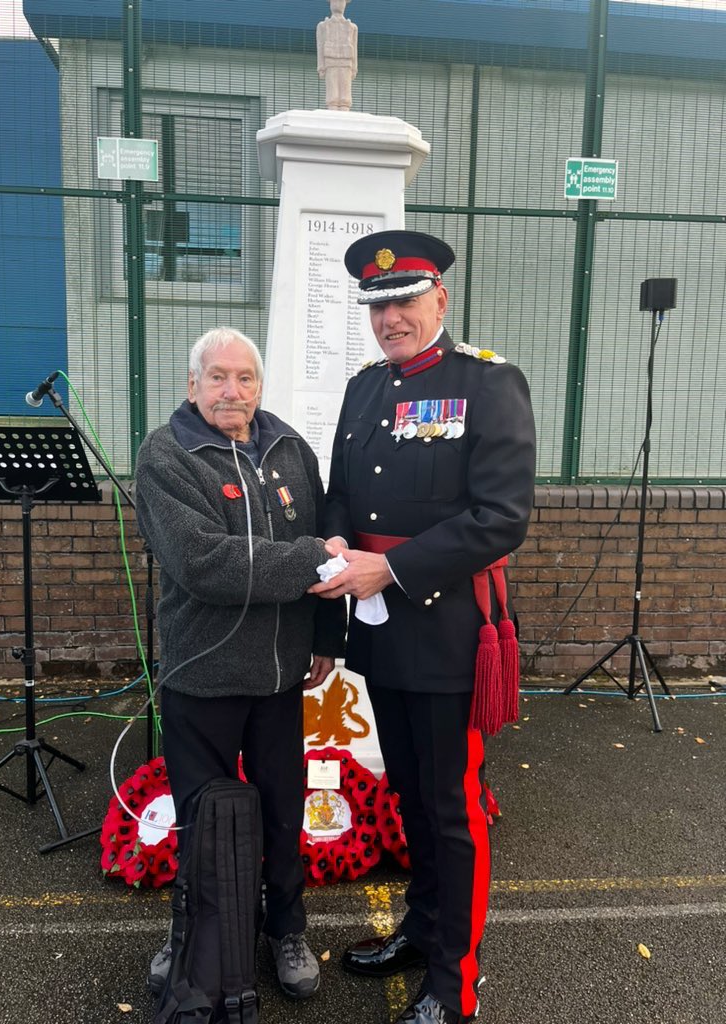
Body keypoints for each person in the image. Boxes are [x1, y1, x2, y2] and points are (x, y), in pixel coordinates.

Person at [310, 230, 536, 1024]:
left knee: (450, 808)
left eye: (404, 300)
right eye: (378, 306)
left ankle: (454, 981)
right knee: (409, 795)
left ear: (440, 296)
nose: (390, 318)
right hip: (380, 629)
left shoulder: (489, 382)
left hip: (446, 633)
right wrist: (336, 541)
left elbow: (501, 518)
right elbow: (341, 493)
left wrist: (392, 569)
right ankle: (422, 930)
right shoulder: (366, 388)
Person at [135, 326, 346, 1000]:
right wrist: (315, 558)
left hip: (282, 676)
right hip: (203, 677)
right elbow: (205, 563)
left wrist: (327, 638)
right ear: (191, 384)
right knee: (204, 817)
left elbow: (329, 538)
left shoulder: (288, 448)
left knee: (284, 812)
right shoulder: (166, 456)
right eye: (218, 376)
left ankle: (285, 929)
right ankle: (192, 934)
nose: (232, 390)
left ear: (260, 385)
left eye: (245, 377)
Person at [317, 0, 358, 112]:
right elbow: (320, 46)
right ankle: (332, 107)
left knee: (345, 93)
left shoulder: (351, 27)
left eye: (341, 1)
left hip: (346, 61)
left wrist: (354, 68)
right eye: (335, 1)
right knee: (332, 91)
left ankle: (344, 108)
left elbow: (354, 47)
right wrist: (321, 66)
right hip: (330, 60)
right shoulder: (323, 26)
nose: (338, 4)